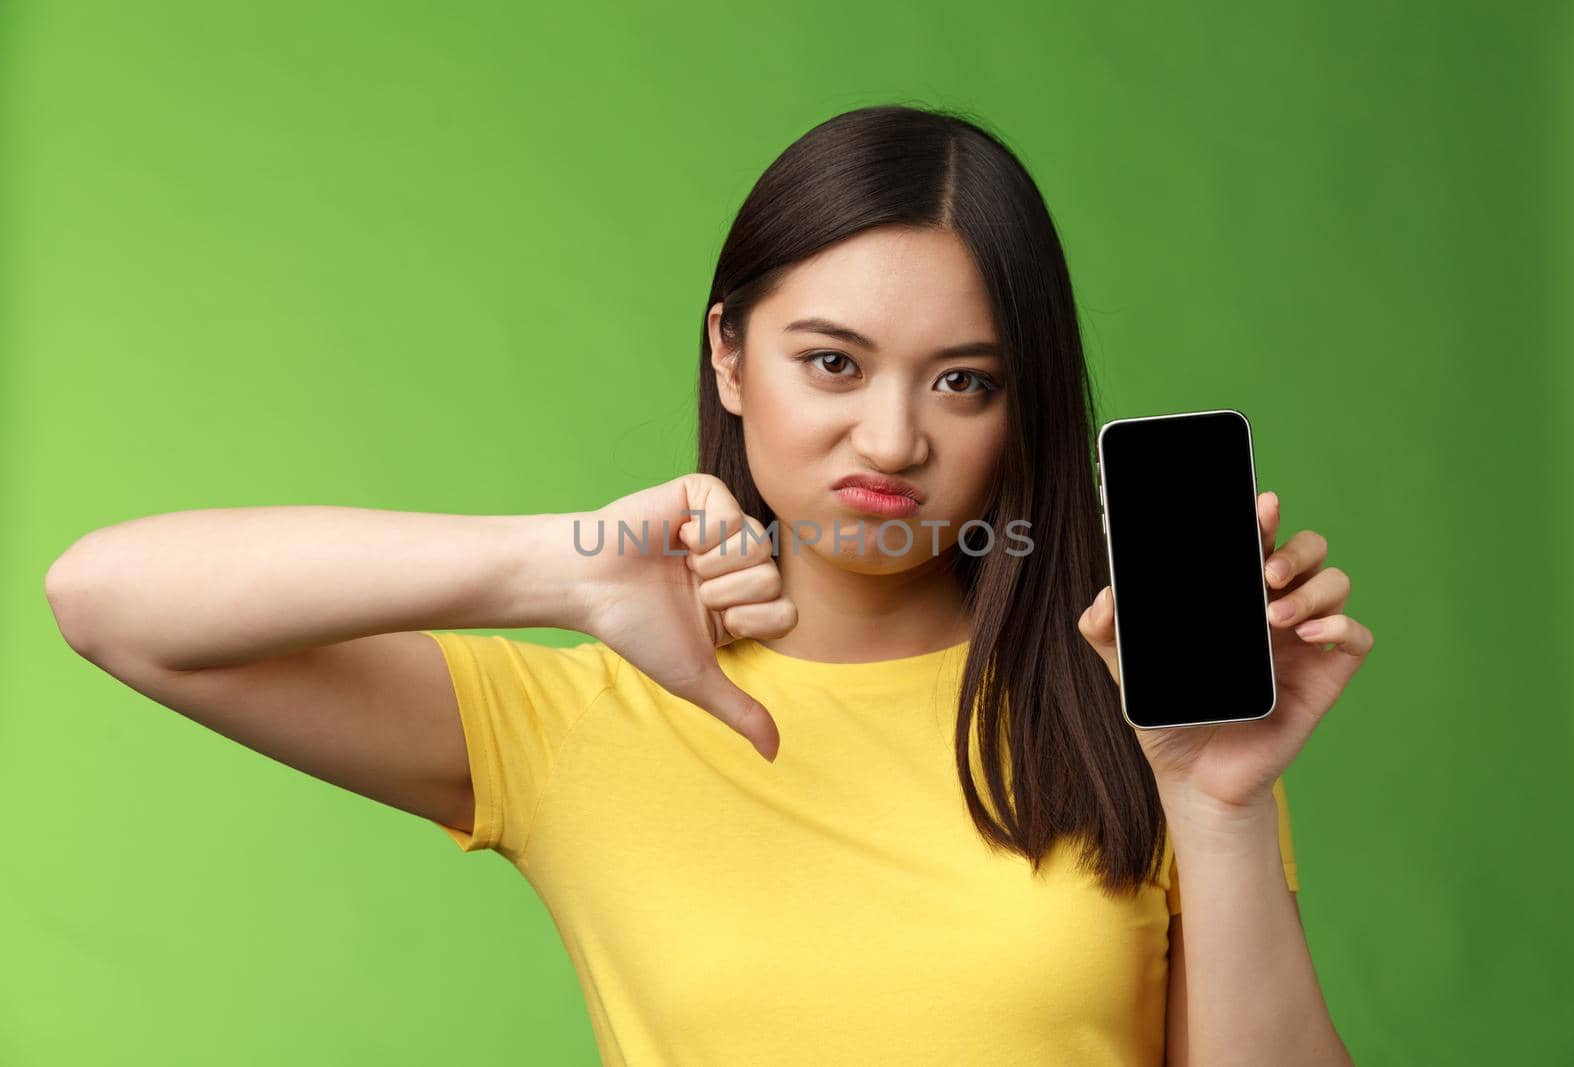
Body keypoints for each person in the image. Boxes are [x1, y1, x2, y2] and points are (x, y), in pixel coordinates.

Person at [44, 104, 1369, 1065]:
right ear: (730, 359)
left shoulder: (1142, 718)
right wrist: (549, 569)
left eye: (962, 380)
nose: (896, 439)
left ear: (1022, 411)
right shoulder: (580, 721)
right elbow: (106, 596)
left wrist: (1220, 803)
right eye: (834, 363)